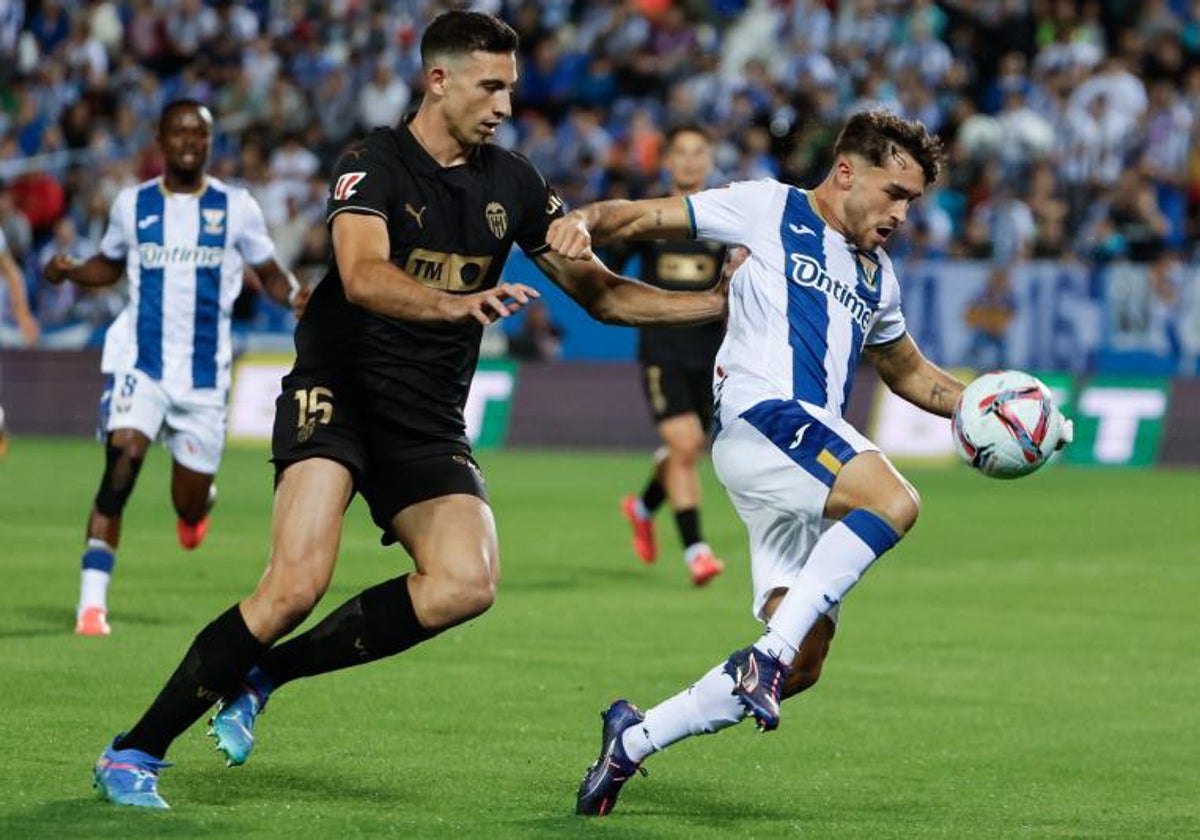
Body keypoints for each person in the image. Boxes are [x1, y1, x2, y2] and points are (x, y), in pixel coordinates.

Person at [90, 11, 726, 809]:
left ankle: (268, 672)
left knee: (467, 581)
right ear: (439, 79)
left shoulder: (516, 183)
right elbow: (361, 275)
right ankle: (134, 751)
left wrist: (713, 303)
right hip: (341, 392)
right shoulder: (372, 162)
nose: (503, 104)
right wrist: (453, 305)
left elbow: (601, 294)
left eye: (511, 89)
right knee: (293, 586)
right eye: (489, 86)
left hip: (425, 416)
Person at [549, 110, 1067, 817]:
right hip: (764, 417)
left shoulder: (877, 277)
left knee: (805, 661)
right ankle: (765, 655)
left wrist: (1009, 406)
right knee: (895, 501)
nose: (902, 214)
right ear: (847, 171)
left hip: (798, 467)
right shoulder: (769, 207)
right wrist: (582, 220)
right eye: (894, 193)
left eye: (912, 202)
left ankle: (631, 742)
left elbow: (912, 374)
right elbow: (640, 218)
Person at [44, 99, 304, 638]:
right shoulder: (132, 205)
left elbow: (269, 272)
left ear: (210, 143)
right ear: (160, 141)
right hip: (141, 363)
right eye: (179, 131)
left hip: (204, 380)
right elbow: (111, 265)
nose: (189, 141)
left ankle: (195, 509)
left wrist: (298, 295)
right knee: (122, 461)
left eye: (199, 133)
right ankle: (92, 606)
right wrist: (71, 271)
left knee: (186, 501)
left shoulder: (237, 208)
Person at [617, 125, 728, 586]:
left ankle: (642, 507)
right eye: (679, 152)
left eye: (697, 152)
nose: (688, 161)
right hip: (661, 351)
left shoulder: (725, 220)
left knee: (689, 449)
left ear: (709, 160)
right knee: (684, 447)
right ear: (667, 162)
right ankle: (697, 553)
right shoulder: (649, 216)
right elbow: (606, 265)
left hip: (712, 355)